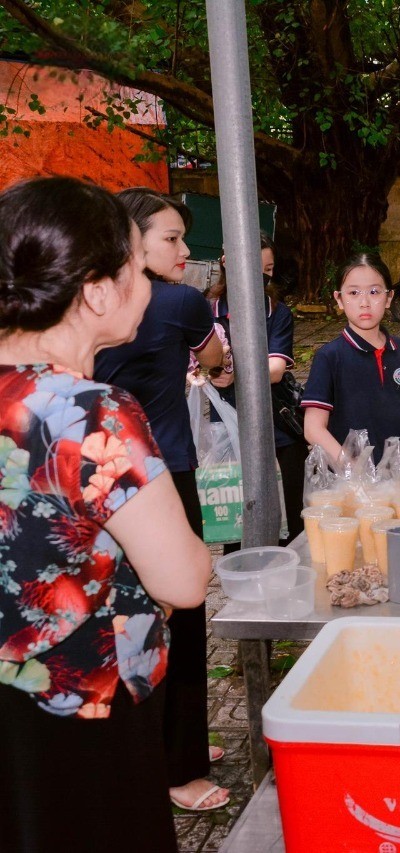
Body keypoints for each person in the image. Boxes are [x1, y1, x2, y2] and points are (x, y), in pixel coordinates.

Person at [0, 176, 212, 851]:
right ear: (96, 291)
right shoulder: (94, 412)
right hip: (84, 704)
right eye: (136, 267)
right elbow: (182, 579)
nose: (148, 284)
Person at [93, 188, 229, 813]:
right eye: (170, 239)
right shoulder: (178, 301)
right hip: (163, 474)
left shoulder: (95, 307)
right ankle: (181, 766)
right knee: (184, 610)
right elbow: (216, 359)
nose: (183, 250)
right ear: (132, 241)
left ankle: (165, 745)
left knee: (129, 621)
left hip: (99, 481)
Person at [207, 233, 305, 543]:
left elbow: (275, 370)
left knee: (289, 521)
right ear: (226, 262)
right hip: (227, 430)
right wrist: (210, 372)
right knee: (237, 528)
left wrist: (235, 373)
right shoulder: (206, 308)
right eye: (253, 266)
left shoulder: (276, 311)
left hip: (276, 424)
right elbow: (193, 362)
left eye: (269, 268)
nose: (262, 275)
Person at [302, 253, 400, 465]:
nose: (364, 302)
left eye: (374, 292)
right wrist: (354, 472)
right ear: (339, 299)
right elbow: (313, 429)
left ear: (389, 298)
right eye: (353, 292)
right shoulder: (329, 357)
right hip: (352, 488)